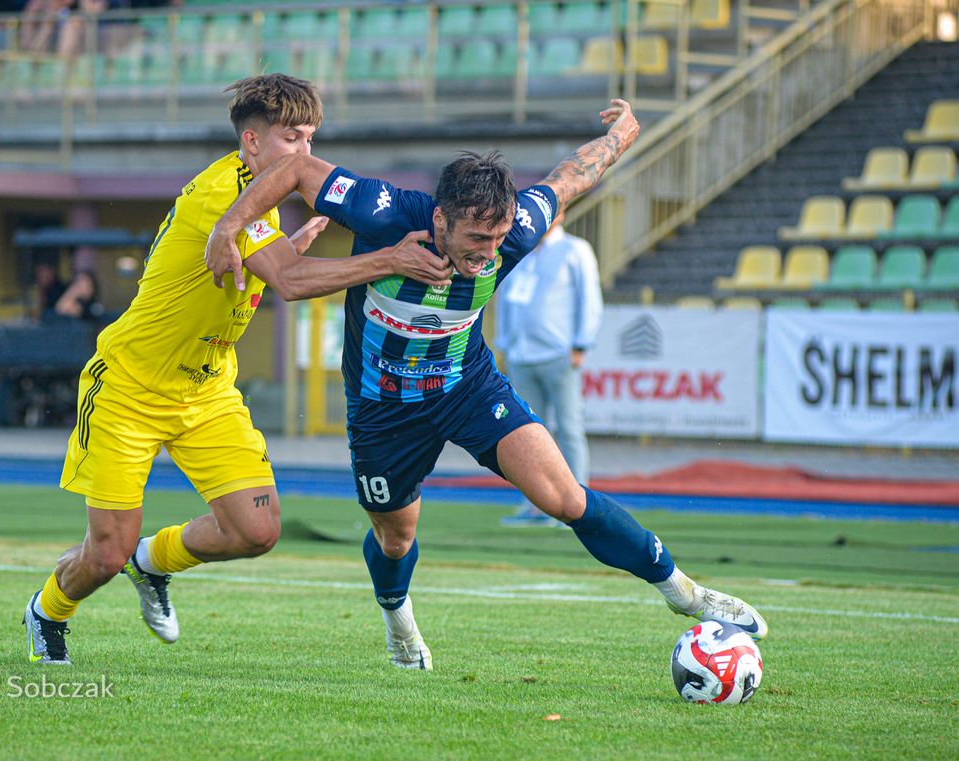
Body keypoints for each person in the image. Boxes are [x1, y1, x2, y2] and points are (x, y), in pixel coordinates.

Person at [207, 99, 768, 670]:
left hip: (466, 386)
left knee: (565, 497)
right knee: (396, 539)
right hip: (382, 407)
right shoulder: (384, 213)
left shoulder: (515, 229)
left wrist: (622, 135)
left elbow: (570, 178)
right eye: (476, 238)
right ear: (441, 221)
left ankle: (687, 594)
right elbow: (298, 170)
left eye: (497, 239)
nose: (488, 254)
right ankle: (399, 620)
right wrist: (230, 227)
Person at [22, 73, 453, 664]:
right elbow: (292, 284)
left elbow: (259, 273)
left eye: (311, 139)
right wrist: (389, 260)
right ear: (251, 142)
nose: (305, 155)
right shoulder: (225, 194)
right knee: (104, 555)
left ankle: (153, 562)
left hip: (206, 389)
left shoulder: (261, 202)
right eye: (292, 139)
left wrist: (287, 249)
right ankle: (48, 611)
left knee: (257, 531)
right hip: (130, 386)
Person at [495, 215, 602, 526]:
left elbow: (589, 299)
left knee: (569, 429)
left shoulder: (574, 250)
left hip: (559, 354)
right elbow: (505, 299)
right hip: (521, 354)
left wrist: (582, 344)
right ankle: (537, 505)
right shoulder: (520, 250)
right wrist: (504, 343)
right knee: (526, 434)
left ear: (562, 215)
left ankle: (581, 509)